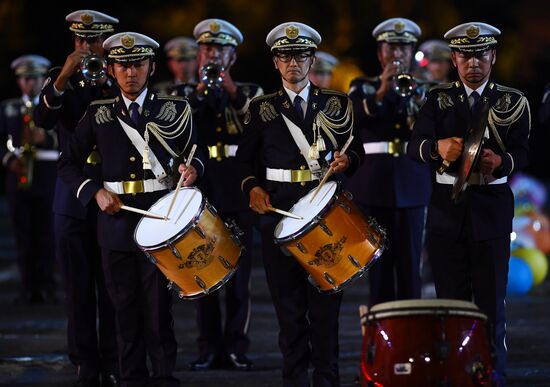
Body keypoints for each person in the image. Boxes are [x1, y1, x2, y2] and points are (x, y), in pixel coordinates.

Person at [58, 31, 206, 387]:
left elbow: (197, 151)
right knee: (122, 307)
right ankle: (130, 377)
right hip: (116, 222)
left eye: (137, 64)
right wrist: (94, 192)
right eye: (122, 66)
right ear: (110, 69)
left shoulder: (174, 108)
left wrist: (194, 168)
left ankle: (164, 374)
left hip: (161, 219)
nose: (130, 73)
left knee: (158, 309)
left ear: (151, 67)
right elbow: (67, 163)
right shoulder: (98, 113)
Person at [236, 22, 364, 387]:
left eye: (301, 55)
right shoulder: (260, 109)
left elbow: (357, 150)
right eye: (285, 56)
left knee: (326, 307)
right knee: (289, 310)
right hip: (279, 213)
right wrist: (252, 189)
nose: (293, 62)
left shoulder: (338, 104)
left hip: (326, 214)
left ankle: (327, 378)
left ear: (312, 59)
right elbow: (244, 162)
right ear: (276, 62)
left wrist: (348, 161)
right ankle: (293, 379)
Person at [407, 22, 531, 386]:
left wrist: (503, 163)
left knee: (492, 303)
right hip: (447, 209)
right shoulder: (437, 98)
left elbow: (526, 151)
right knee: (451, 302)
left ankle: (492, 373)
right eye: (465, 54)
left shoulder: (513, 100)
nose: (473, 61)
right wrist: (436, 149)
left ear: (492, 56)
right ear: (454, 58)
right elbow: (414, 147)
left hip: (491, 209)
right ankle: (456, 373)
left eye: (480, 54)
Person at [34, 10, 120, 387]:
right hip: (72, 195)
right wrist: (65, 76)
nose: (88, 48)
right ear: (73, 42)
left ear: (106, 41)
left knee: (114, 286)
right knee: (77, 287)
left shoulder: (120, 73)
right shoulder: (59, 78)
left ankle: (114, 360)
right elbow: (41, 121)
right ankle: (85, 362)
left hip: (113, 193)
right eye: (82, 41)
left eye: (95, 41)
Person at [171, 18, 263, 371]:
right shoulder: (182, 94)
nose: (213, 55)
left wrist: (231, 89)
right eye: (207, 49)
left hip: (238, 189)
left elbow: (255, 122)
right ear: (198, 55)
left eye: (220, 50)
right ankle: (207, 347)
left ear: (232, 57)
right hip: (203, 192)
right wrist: (199, 93)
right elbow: (179, 128)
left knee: (240, 277)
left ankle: (237, 346)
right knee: (204, 272)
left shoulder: (250, 91)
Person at [346, 18, 432, 307]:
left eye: (404, 48)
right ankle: (381, 343)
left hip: (413, 182)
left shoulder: (425, 88)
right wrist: (382, 90)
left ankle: (411, 339)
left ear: (412, 52)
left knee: (410, 269)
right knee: (378, 269)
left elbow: (435, 126)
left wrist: (417, 95)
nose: (397, 54)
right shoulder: (363, 86)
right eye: (391, 47)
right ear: (380, 53)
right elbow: (351, 121)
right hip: (373, 185)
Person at [0, 55, 57, 304]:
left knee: (47, 233)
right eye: (24, 78)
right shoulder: (8, 107)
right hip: (19, 173)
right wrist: (8, 159)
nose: (29, 83)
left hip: (47, 172)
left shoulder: (53, 104)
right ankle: (27, 286)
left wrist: (45, 138)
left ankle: (48, 285)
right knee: (22, 233)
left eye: (34, 78)